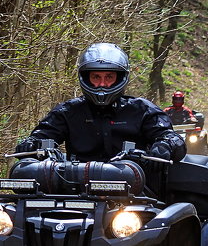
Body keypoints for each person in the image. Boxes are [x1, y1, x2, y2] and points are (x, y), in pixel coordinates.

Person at [16, 42, 185, 163]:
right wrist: (31, 144)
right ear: (86, 77)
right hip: (76, 189)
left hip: (135, 194)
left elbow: (171, 137)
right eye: (96, 77)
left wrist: (165, 145)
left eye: (109, 77)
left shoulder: (142, 110)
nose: (102, 84)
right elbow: (43, 136)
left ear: (120, 78)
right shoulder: (68, 111)